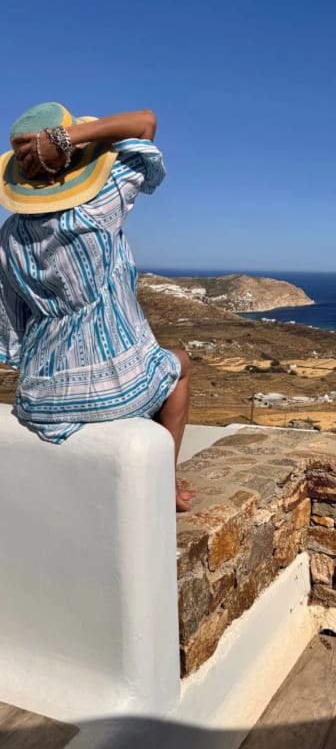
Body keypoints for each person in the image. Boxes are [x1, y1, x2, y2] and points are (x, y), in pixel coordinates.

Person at [0, 102, 194, 511]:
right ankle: (166, 484)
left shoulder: (9, 237)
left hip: (38, 395)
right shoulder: (97, 209)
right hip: (110, 388)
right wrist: (68, 140)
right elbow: (146, 123)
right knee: (179, 366)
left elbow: (13, 327)